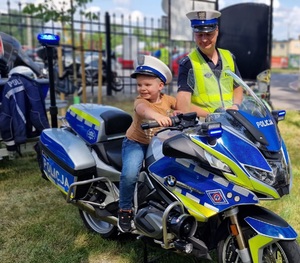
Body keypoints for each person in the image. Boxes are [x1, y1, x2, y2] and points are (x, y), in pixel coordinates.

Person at [118, 55, 178, 232]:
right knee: (129, 174)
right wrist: (158, 116)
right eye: (139, 85)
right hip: (136, 143)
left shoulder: (168, 100)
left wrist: (205, 112)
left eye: (147, 85)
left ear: (161, 86)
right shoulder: (141, 101)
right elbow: (142, 110)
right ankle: (125, 210)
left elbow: (183, 107)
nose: (142, 88)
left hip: (158, 144)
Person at [176, 10, 243, 118]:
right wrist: (213, 115)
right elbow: (183, 105)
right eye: (199, 34)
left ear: (217, 31)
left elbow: (238, 86)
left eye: (208, 34)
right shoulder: (188, 63)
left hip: (231, 122)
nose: (204, 39)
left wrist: (235, 105)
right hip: (204, 126)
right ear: (194, 34)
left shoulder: (228, 56)